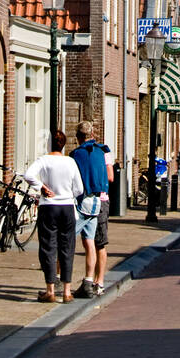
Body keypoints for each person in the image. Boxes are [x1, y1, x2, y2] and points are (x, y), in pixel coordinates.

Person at [24, 129, 84, 304]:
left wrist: (41, 187)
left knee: (48, 247)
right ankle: (66, 291)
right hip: (67, 207)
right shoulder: (70, 162)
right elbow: (79, 189)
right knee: (67, 247)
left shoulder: (44, 160)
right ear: (64, 144)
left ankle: (50, 290)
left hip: (49, 207)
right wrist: (67, 193)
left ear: (49, 144)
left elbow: (28, 175)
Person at [71, 121, 111, 298]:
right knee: (97, 243)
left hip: (84, 200)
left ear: (78, 137)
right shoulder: (104, 151)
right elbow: (110, 177)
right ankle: (97, 282)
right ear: (93, 133)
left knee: (68, 239)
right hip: (101, 201)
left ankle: (60, 282)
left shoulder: (76, 154)